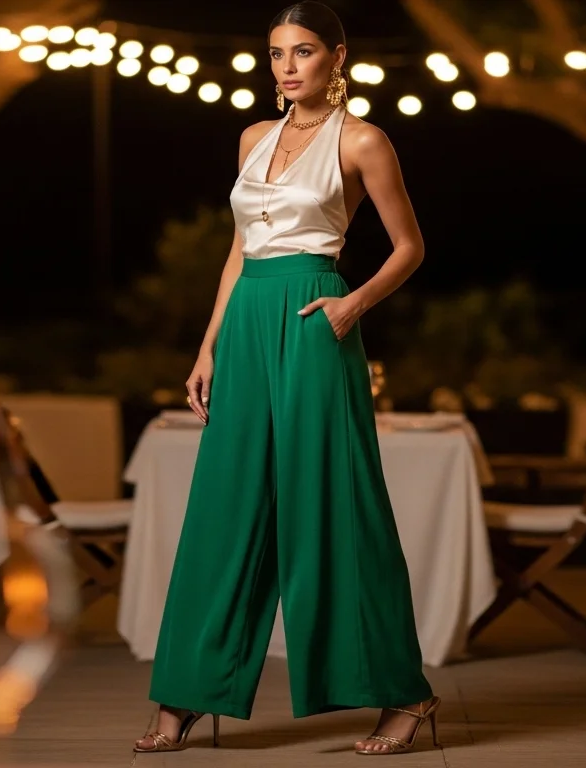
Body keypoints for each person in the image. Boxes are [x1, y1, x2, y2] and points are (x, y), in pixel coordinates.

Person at [132, 1, 439, 757]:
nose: (287, 66)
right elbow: (240, 251)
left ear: (337, 56)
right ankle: (188, 692)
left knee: (335, 503)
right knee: (226, 503)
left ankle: (403, 693)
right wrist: (208, 347)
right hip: (246, 322)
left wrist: (353, 304)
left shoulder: (362, 140)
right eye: (276, 53)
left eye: (302, 51)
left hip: (313, 321)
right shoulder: (252, 138)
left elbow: (409, 247)